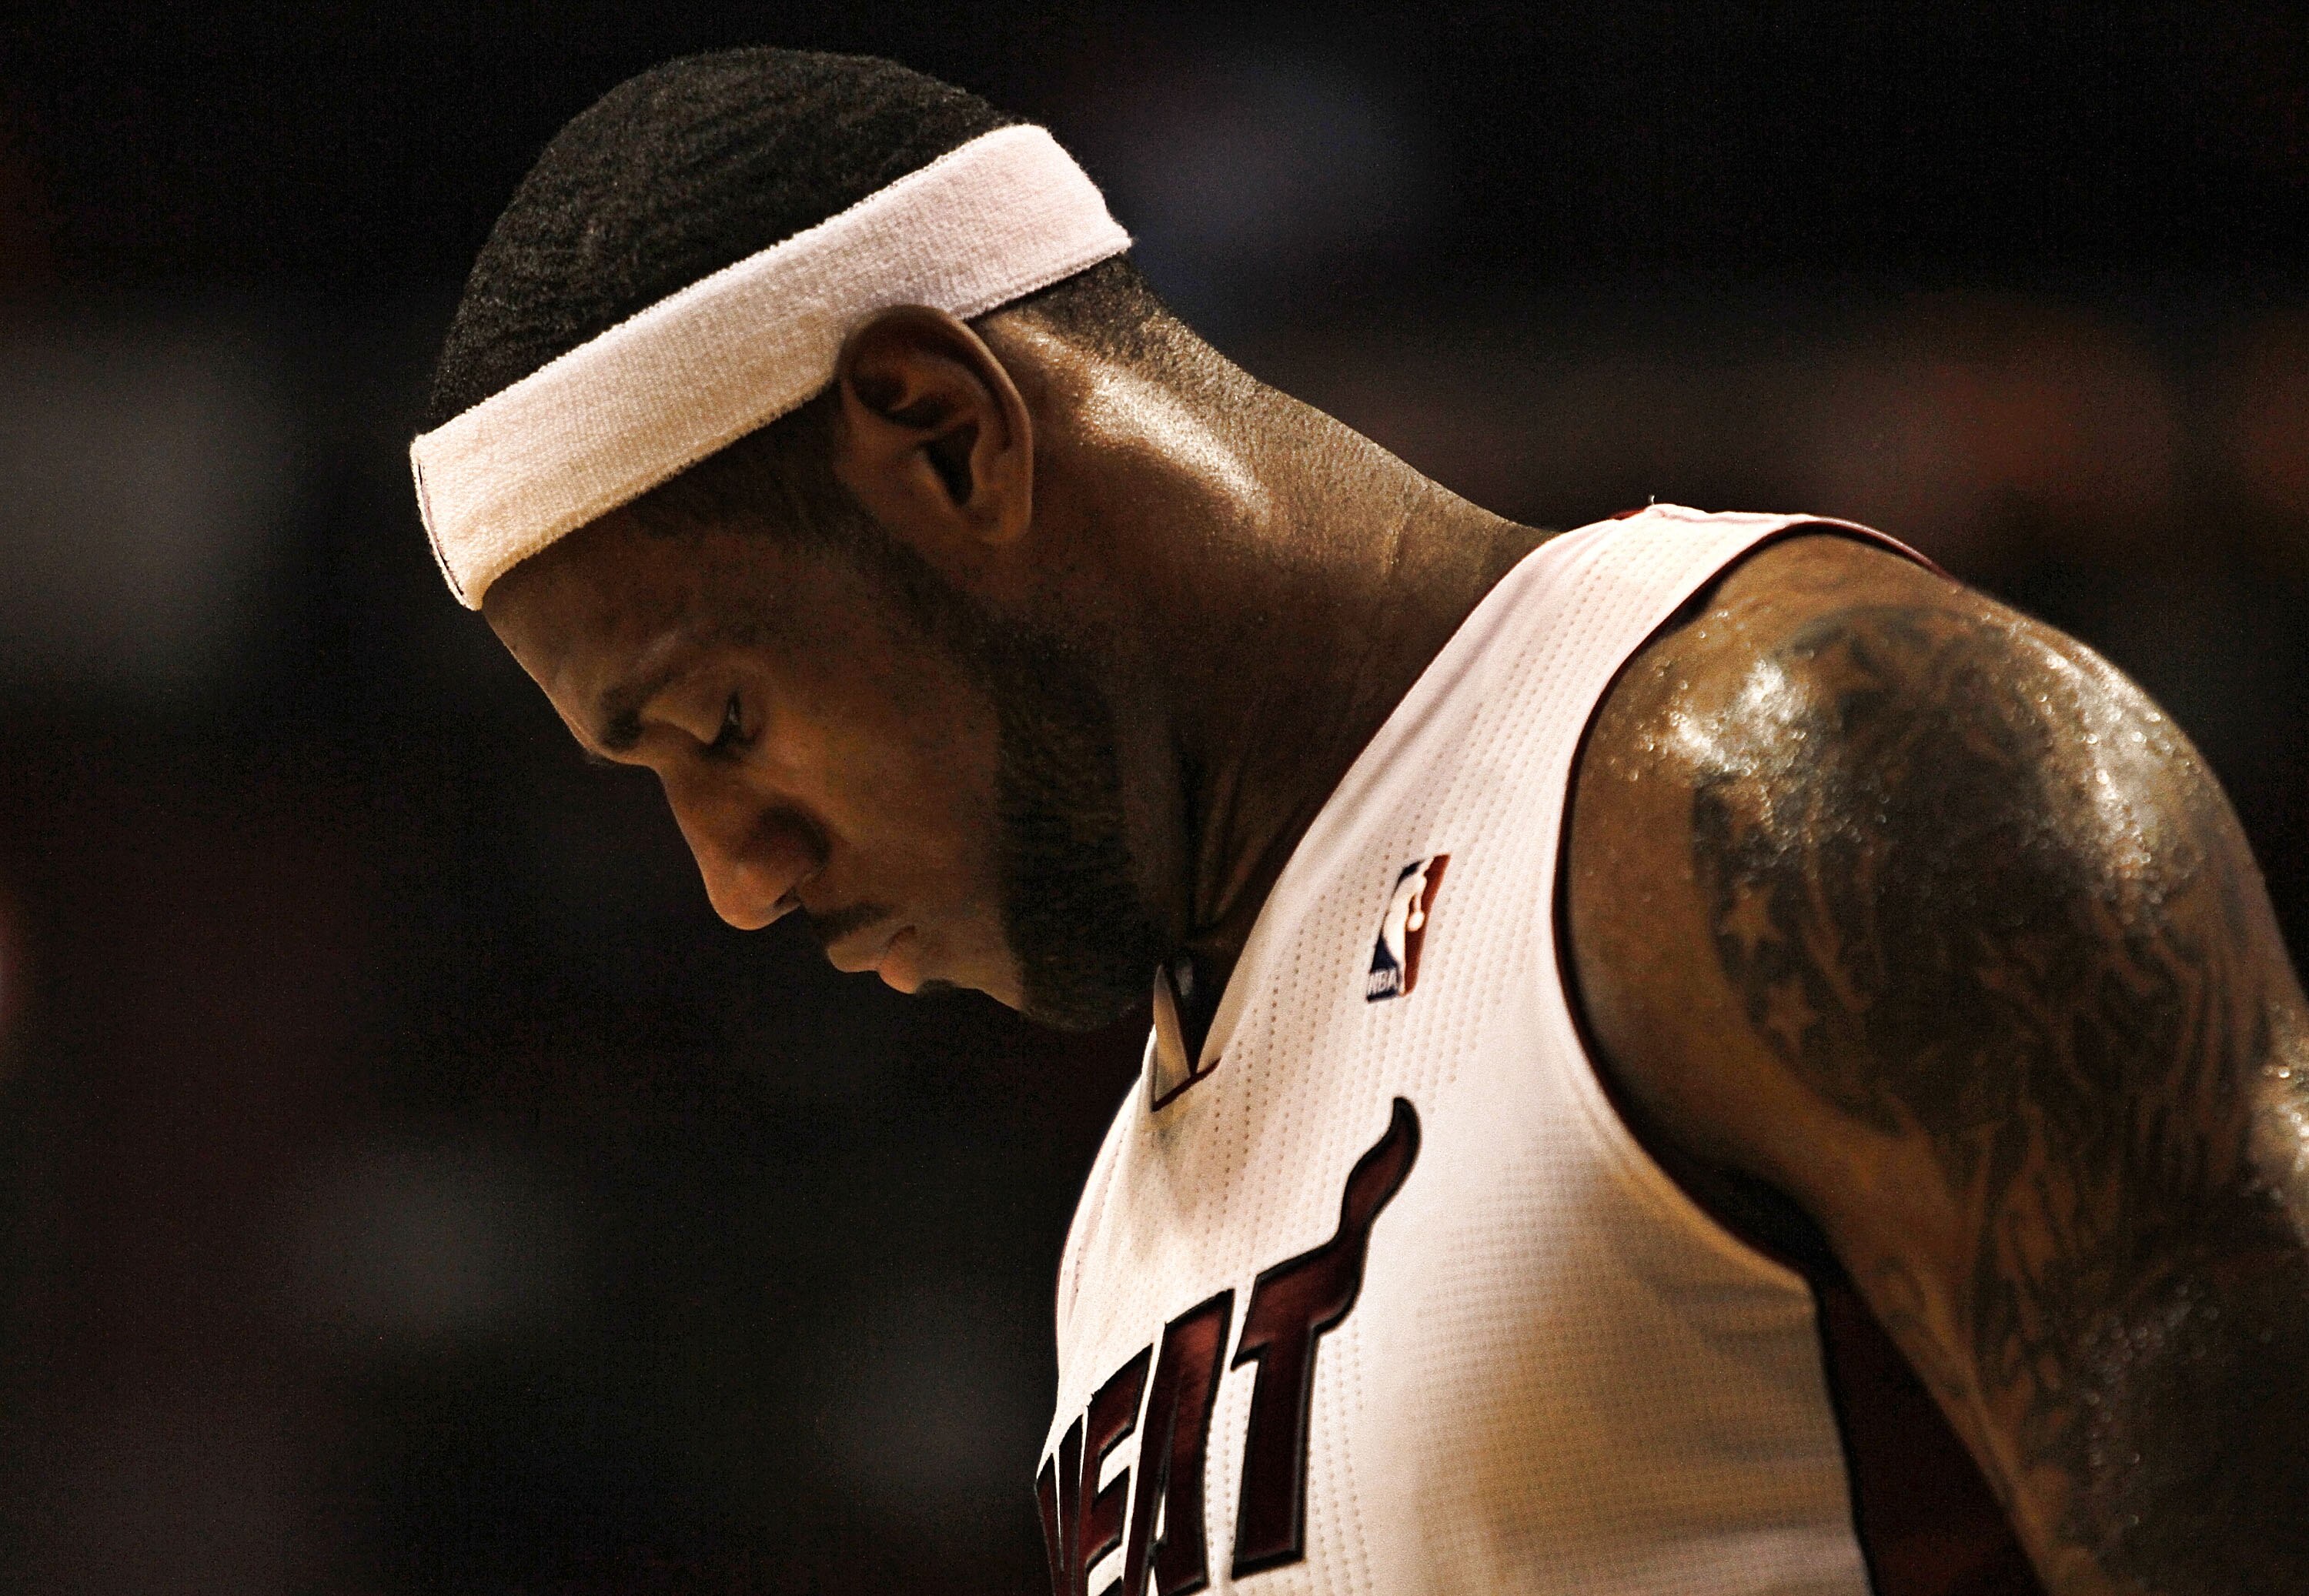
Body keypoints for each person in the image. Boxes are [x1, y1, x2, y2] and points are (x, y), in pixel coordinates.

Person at [412, 47, 2309, 1596]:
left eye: (722, 724)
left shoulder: (1781, 775)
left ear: (946, 434)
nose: (734, 882)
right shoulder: (1123, 1229)